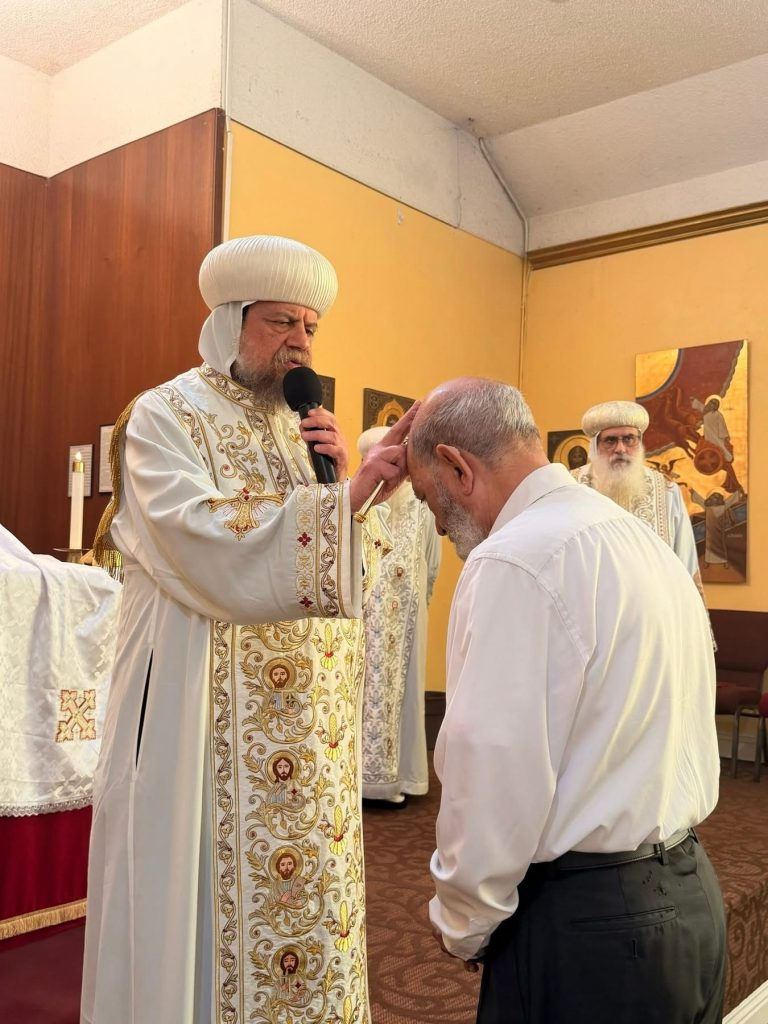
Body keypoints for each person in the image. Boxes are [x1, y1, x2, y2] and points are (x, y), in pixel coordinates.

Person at [82, 235, 414, 1024]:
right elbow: (197, 535)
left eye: (310, 327)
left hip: (308, 732)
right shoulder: (165, 415)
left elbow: (350, 576)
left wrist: (348, 490)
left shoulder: (304, 431)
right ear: (229, 321)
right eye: (280, 322)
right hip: (204, 715)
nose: (300, 341)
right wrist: (335, 506)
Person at [407, 378, 726, 1024]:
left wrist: (463, 922)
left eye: (425, 497)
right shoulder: (642, 542)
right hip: (693, 899)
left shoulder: (513, 560)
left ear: (457, 468)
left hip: (593, 933)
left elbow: (492, 772)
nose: (436, 523)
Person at [357, 426, 442, 806]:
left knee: (404, 693)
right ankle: (357, 780)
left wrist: (419, 602)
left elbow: (432, 565)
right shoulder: (355, 502)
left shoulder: (422, 510)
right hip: (360, 623)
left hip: (406, 619)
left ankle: (400, 780)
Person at [573, 399, 706, 597]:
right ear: (595, 445)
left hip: (652, 608)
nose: (620, 449)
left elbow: (686, 564)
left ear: (640, 442)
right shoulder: (571, 487)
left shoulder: (667, 491)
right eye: (610, 440)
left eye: (629, 439)